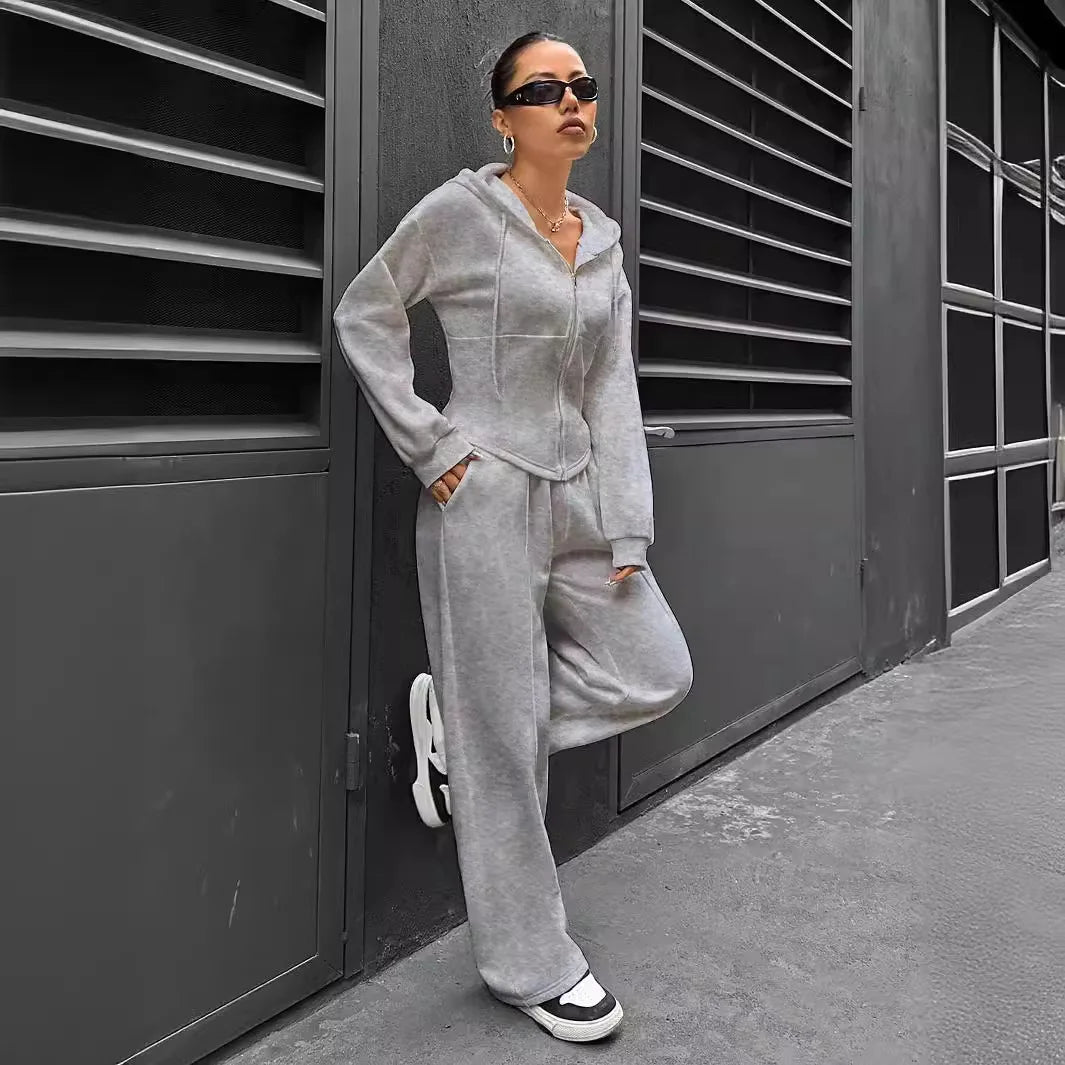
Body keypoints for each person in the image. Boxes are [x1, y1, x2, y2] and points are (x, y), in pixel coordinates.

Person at [332, 30, 693, 1043]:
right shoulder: (458, 214)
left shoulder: (604, 243)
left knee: (655, 669)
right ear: (504, 116)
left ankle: (471, 734)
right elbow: (367, 315)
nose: (571, 101)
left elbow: (612, 390)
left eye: (582, 87)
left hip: (577, 495)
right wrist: (431, 442)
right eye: (544, 89)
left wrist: (628, 518)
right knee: (500, 755)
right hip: (479, 494)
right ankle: (530, 963)